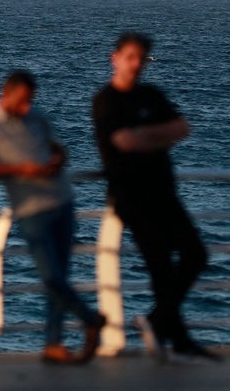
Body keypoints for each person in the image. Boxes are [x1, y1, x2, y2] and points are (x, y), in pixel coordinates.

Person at [92, 32, 219, 362]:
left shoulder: (151, 95)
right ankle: (176, 339)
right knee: (161, 268)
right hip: (132, 197)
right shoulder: (107, 100)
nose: (136, 64)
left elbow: (182, 129)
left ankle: (159, 323)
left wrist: (143, 135)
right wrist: (157, 136)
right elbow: (123, 142)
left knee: (196, 254)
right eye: (130, 56)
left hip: (165, 192)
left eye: (141, 58)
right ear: (115, 58)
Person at [0, 70, 105, 364]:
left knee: (61, 276)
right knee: (51, 277)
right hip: (30, 209)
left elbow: (56, 149)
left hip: (62, 201)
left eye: (30, 101)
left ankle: (53, 344)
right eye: (22, 101)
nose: (27, 107)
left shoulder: (37, 116)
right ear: (6, 92)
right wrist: (20, 170)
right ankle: (90, 318)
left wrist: (57, 160)